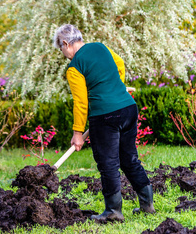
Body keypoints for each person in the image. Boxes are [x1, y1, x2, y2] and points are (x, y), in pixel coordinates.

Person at [53, 24, 155, 222]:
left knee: (108, 164)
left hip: (104, 116)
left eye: (61, 49)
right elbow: (120, 64)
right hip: (128, 108)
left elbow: (81, 103)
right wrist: (118, 87)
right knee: (129, 159)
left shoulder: (74, 68)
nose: (63, 54)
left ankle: (114, 212)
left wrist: (77, 133)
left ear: (66, 43)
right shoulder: (101, 47)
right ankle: (147, 205)